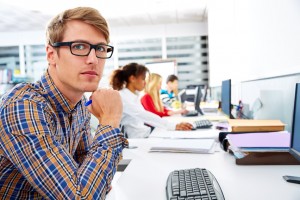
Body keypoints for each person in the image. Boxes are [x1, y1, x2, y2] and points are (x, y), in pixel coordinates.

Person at [0, 7, 128, 199]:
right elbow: (81, 195)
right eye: (79, 47)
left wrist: (93, 180)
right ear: (51, 55)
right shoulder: (22, 106)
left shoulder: (80, 106)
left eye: (100, 48)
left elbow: (93, 179)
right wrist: (110, 120)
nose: (93, 59)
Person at [110, 63, 193, 138]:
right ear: (132, 78)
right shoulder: (122, 96)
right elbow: (143, 115)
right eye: (143, 79)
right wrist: (174, 126)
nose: (145, 83)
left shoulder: (133, 95)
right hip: (137, 138)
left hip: (144, 132)